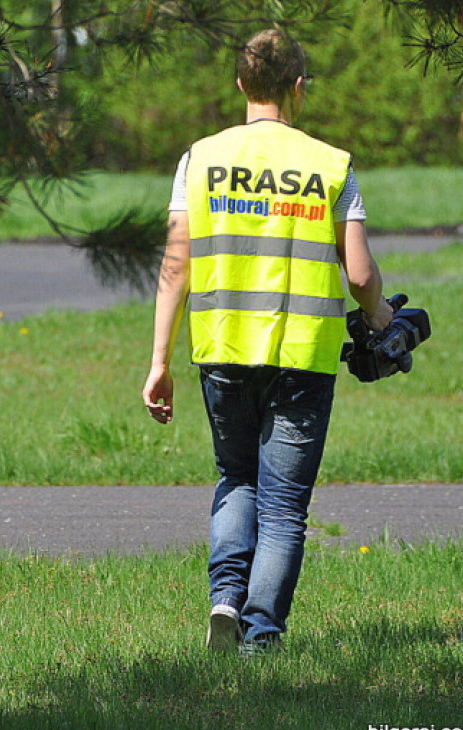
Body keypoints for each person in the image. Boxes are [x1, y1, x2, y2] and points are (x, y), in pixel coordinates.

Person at [141, 29, 394, 656]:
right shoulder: (331, 165)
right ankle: (261, 636)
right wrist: (382, 317)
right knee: (283, 506)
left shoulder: (199, 159)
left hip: (222, 347)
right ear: (299, 86)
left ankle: (225, 598)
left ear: (241, 84)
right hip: (302, 355)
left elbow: (175, 265)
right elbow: (360, 275)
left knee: (236, 477)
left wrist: (159, 361)